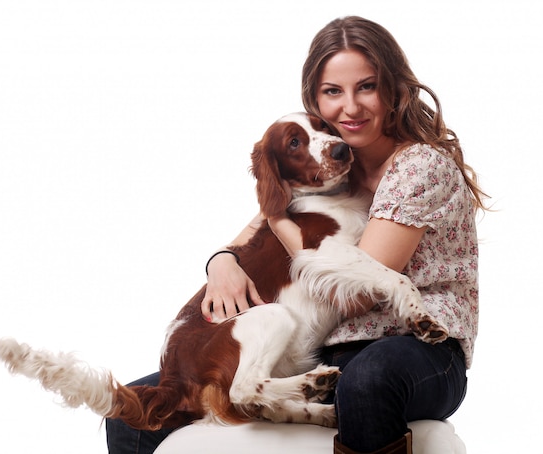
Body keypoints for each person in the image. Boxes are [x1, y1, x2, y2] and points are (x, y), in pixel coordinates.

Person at [106, 16, 486, 454]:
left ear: (395, 89)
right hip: (323, 349)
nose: (351, 107)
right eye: (332, 92)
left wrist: (276, 215)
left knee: (365, 383)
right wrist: (220, 261)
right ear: (315, 101)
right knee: (129, 413)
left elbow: (361, 289)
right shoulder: (334, 169)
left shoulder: (418, 166)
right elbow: (256, 232)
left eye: (367, 86)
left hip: (417, 348)